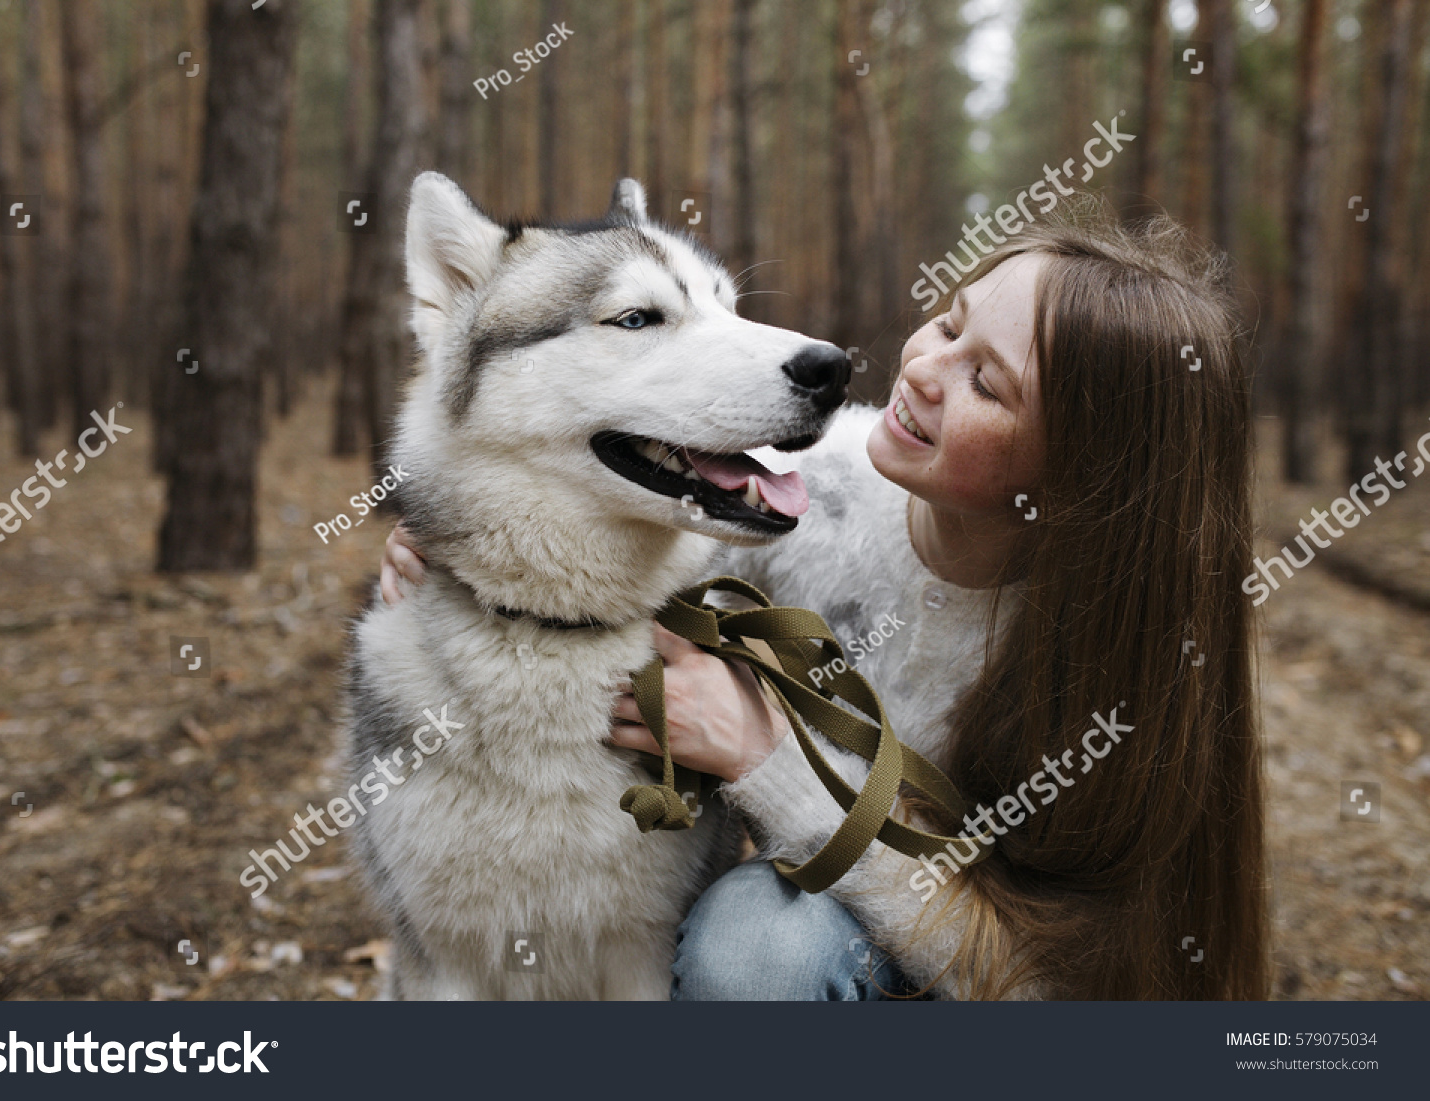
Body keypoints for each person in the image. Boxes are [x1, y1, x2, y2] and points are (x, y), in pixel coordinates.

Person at [381, 201, 1270, 1000]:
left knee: (766, 948)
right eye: (947, 322)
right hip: (830, 946)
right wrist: (461, 546)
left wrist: (765, 763)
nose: (922, 368)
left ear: (1084, 474)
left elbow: (1053, 985)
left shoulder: (1116, 660)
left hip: (966, 982)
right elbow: (578, 527)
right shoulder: (800, 493)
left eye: (987, 383)